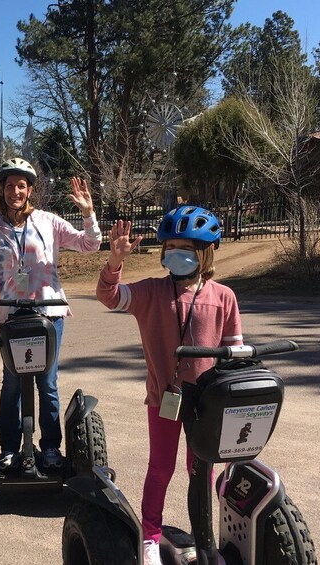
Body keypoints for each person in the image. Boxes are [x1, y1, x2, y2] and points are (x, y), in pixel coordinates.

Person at [95, 205, 242, 565]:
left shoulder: (223, 297)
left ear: (206, 251)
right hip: (165, 399)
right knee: (161, 469)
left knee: (202, 470)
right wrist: (114, 264)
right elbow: (110, 297)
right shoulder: (151, 293)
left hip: (208, 405)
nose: (178, 253)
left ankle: (204, 539)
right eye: (171, 246)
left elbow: (235, 354)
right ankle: (151, 535)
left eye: (187, 247)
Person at [0, 157, 102, 471]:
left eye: (21, 186)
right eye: (9, 186)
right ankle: (9, 449)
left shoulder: (48, 221)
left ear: (30, 189)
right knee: (12, 385)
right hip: (12, 316)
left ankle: (49, 449)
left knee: (47, 383)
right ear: (2, 190)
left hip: (49, 313)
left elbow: (89, 244)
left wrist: (88, 213)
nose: (15, 192)